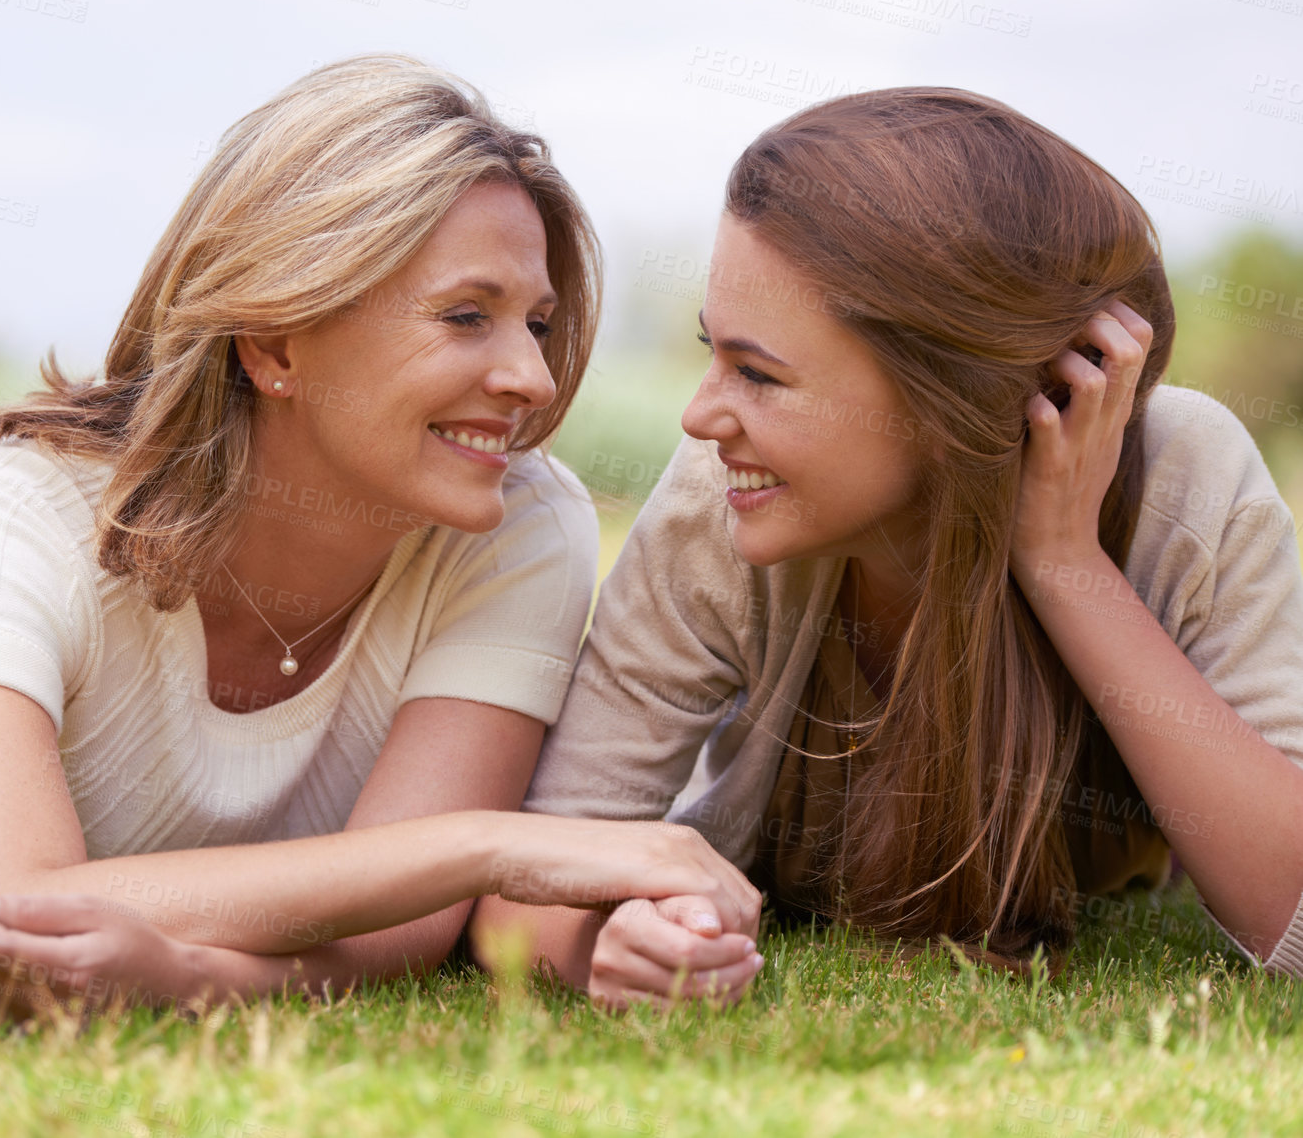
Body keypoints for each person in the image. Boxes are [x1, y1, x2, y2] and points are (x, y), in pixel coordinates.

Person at [0, 55, 760, 1022]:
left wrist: (185, 979)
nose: (533, 379)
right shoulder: (2, 519)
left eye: (538, 324)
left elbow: (403, 933)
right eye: (466, 316)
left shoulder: (518, 525)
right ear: (273, 343)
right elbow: (7, 912)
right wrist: (490, 848)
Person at [470, 87, 1303, 1010]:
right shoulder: (721, 498)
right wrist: (603, 945)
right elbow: (530, 885)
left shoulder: (1186, 480)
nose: (700, 414)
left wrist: (1065, 561)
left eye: (758, 373)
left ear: (944, 394)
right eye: (713, 352)